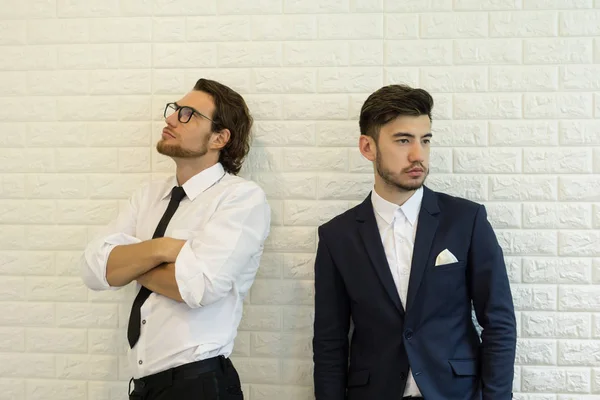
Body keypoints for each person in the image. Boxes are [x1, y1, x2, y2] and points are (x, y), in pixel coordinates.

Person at [312, 84, 517, 400]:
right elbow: (329, 341)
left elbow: (499, 322)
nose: (417, 155)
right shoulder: (337, 237)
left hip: (455, 392)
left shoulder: (466, 220)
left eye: (425, 140)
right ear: (368, 147)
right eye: (403, 140)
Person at [80, 78, 271, 400]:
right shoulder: (148, 196)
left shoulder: (240, 199)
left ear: (220, 137)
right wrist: (163, 248)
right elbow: (94, 270)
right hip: (144, 386)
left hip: (199, 384)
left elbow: (198, 287)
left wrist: (130, 263)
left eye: (188, 114)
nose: (171, 119)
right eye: (175, 110)